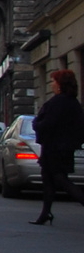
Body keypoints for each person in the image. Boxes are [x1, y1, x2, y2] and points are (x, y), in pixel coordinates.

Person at [31, 68, 84, 225]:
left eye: (54, 81)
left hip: (54, 148)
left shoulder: (58, 102)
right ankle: (45, 214)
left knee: (60, 179)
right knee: (48, 180)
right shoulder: (73, 103)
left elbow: (48, 123)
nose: (52, 84)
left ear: (60, 84)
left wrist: (36, 123)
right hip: (63, 147)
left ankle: (46, 213)